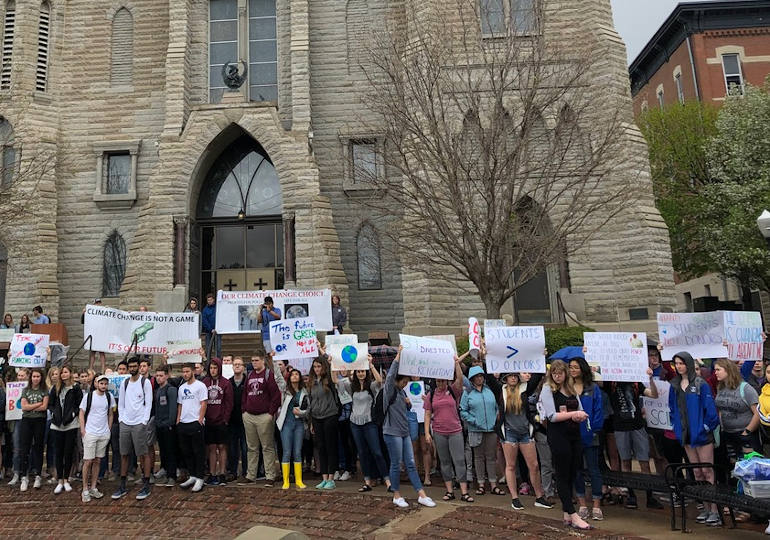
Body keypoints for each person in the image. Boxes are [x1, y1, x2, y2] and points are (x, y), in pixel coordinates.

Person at [539, 359, 593, 530]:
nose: (557, 376)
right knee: (562, 473)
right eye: (554, 373)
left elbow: (580, 407)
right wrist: (573, 414)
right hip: (558, 435)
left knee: (572, 471)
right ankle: (573, 513)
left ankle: (566, 513)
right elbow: (551, 416)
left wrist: (578, 415)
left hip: (574, 434)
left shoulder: (570, 389)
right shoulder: (548, 389)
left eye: (560, 373)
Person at [668, 352, 721, 527]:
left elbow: (710, 411)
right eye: (676, 363)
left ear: (689, 364)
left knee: (707, 472)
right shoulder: (674, 385)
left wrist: (705, 427)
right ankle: (705, 507)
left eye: (682, 363)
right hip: (686, 435)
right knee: (697, 472)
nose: (679, 366)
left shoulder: (700, 384)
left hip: (702, 436)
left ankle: (714, 510)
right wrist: (677, 429)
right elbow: (673, 409)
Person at [383, 346, 435, 508]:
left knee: (410, 463)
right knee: (396, 463)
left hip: (404, 431)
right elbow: (391, 375)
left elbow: (406, 410)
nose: (406, 384)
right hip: (392, 432)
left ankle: (421, 494)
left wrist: (408, 403)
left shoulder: (402, 392)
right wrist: (398, 355)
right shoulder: (390, 389)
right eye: (404, 381)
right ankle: (396, 494)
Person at [605, 370, 661, 510]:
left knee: (644, 462)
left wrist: (650, 379)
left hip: (637, 425)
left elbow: (653, 394)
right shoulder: (610, 383)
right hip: (620, 426)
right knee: (625, 461)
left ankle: (649, 495)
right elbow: (595, 379)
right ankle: (631, 494)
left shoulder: (636, 383)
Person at [499, 372, 552, 510]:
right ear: (505, 378)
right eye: (510, 376)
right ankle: (515, 498)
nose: (513, 378)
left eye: (515, 376)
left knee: (534, 465)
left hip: (525, 433)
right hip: (509, 433)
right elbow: (489, 378)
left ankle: (539, 497)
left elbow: (537, 375)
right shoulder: (500, 391)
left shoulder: (524, 389)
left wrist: (540, 355)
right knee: (510, 465)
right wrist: (484, 358)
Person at [424, 356, 472, 502]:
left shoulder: (453, 390)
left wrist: (456, 363)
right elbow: (427, 414)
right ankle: (449, 490)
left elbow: (460, 378)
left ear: (446, 380)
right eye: (438, 381)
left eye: (443, 381)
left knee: (459, 460)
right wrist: (427, 432)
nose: (440, 383)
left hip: (455, 431)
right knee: (445, 462)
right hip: (439, 432)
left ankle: (464, 492)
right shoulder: (430, 395)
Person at [339, 356, 389, 492]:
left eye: (363, 371)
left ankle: (387, 479)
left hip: (369, 422)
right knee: (362, 453)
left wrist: (371, 365)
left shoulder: (371, 386)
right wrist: (334, 365)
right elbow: (335, 382)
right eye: (358, 371)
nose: (361, 373)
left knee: (377, 452)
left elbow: (380, 381)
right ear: (355, 373)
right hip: (355, 422)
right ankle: (367, 480)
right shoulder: (352, 387)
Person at [112, 356, 154, 501]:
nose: (133, 369)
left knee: (143, 453)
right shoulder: (124, 383)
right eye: (131, 366)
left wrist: (144, 421)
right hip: (126, 422)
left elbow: (148, 403)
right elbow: (121, 403)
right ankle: (122, 484)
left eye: (135, 366)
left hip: (139, 423)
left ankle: (146, 482)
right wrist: (121, 418)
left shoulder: (145, 382)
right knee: (124, 453)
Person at [568, 358, 605, 521]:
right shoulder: (567, 388)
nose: (573, 370)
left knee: (593, 469)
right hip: (573, 435)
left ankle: (596, 505)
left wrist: (594, 428)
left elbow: (598, 410)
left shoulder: (593, 388)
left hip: (590, 434)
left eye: (576, 367)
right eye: (570, 367)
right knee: (576, 470)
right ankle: (582, 503)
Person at [239, 351, 281, 487]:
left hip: (264, 416)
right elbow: (245, 393)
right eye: (252, 360)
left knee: (267, 447)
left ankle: (270, 475)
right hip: (249, 415)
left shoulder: (269, 375)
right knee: (251, 447)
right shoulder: (250, 375)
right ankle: (250, 475)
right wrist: (244, 410)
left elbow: (276, 395)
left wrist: (270, 414)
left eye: (256, 360)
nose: (254, 362)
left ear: (263, 360)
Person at [460, 365, 503, 497]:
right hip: (475, 430)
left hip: (491, 429)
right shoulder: (467, 393)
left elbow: (496, 405)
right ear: (472, 379)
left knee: (491, 457)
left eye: (481, 376)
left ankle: (493, 484)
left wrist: (496, 415)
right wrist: (474, 420)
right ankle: (481, 484)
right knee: (478, 458)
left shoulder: (489, 391)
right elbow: (462, 410)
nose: (479, 378)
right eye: (476, 377)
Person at [714, 358, 761, 476]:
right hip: (728, 435)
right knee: (734, 470)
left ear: (728, 370)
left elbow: (757, 413)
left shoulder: (745, 388)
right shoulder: (720, 387)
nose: (715, 372)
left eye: (718, 369)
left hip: (745, 436)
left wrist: (747, 432)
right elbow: (721, 409)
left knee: (749, 470)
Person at [78, 375, 115, 502]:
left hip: (103, 433)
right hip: (90, 432)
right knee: (88, 461)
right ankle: (84, 488)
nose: (103, 386)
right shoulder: (88, 397)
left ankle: (93, 487)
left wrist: (108, 429)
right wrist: (83, 429)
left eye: (105, 383)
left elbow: (110, 413)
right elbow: (81, 413)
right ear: (96, 383)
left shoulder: (109, 397)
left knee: (98, 460)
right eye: (101, 383)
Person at [49, 365, 83, 495]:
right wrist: (54, 414)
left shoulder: (75, 388)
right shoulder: (55, 388)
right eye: (62, 373)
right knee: (58, 452)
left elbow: (79, 404)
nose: (63, 375)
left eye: (65, 372)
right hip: (57, 425)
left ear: (70, 373)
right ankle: (59, 481)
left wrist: (73, 414)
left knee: (68, 452)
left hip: (70, 424)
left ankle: (66, 478)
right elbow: (51, 404)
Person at [308, 355, 340, 490]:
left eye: (319, 366)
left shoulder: (328, 381)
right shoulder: (311, 382)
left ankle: (331, 478)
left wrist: (330, 362)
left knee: (330, 446)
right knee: (320, 446)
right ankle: (324, 477)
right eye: (315, 367)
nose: (316, 369)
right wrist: (311, 422)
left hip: (330, 415)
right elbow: (311, 401)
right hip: (316, 417)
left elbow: (335, 381)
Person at [275, 366, 309, 489]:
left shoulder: (304, 392)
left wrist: (300, 413)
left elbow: (307, 410)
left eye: (297, 374)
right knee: (287, 452)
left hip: (299, 424)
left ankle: (299, 480)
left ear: (300, 377)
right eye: (292, 374)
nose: (294, 376)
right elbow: (278, 377)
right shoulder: (285, 389)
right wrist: (272, 361)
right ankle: (286, 480)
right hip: (286, 424)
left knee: (298, 452)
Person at [176, 363, 208, 493]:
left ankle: (200, 477)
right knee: (186, 451)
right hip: (183, 422)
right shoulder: (181, 387)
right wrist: (178, 419)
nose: (185, 374)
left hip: (195, 422)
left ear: (193, 371)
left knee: (198, 451)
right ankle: (192, 475)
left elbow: (204, 402)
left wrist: (200, 418)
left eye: (187, 371)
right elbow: (180, 404)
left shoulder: (200, 386)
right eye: (183, 372)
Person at [203, 357, 233, 486]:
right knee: (211, 447)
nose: (213, 370)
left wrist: (225, 419)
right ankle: (212, 473)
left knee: (222, 447)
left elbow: (229, 402)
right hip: (209, 420)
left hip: (221, 421)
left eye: (215, 368)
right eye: (211, 368)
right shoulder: (205, 382)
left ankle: (222, 473)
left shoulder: (226, 383)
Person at [18, 368, 48, 492]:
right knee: (25, 447)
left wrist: (32, 407)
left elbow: (44, 407)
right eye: (34, 376)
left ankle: (38, 475)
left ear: (41, 378)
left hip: (40, 421)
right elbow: (24, 407)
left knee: (38, 447)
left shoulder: (44, 391)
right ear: (31, 378)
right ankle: (24, 476)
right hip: (27, 420)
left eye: (38, 376)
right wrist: (37, 405)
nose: (35, 378)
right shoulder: (26, 390)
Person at [154, 364, 178, 488]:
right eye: (157, 376)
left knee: (170, 451)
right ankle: (164, 470)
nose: (159, 378)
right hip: (159, 425)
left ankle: (172, 476)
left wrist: (170, 423)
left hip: (168, 426)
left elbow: (173, 409)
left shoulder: (171, 390)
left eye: (161, 376)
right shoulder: (157, 391)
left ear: (167, 376)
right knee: (163, 450)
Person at [227, 356, 248, 481]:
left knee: (246, 448)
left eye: (239, 364)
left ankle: (246, 471)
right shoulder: (228, 382)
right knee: (232, 448)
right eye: (235, 364)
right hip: (232, 420)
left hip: (245, 419)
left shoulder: (248, 381)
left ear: (244, 367)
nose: (237, 366)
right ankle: (233, 471)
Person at [82, 300, 106, 373]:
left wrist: (107, 310)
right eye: (96, 303)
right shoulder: (90, 312)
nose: (98, 304)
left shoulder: (103, 311)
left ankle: (103, 369)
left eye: (99, 303)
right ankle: (91, 368)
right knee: (92, 352)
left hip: (101, 334)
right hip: (93, 334)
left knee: (102, 353)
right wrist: (84, 313)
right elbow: (83, 321)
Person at [201, 293, 221, 359]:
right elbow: (204, 321)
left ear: (213, 300)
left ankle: (218, 360)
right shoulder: (205, 310)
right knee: (208, 348)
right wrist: (210, 329)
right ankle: (208, 361)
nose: (209, 301)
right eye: (208, 300)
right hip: (209, 332)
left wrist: (217, 328)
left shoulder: (218, 308)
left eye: (211, 300)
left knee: (218, 348)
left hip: (217, 331)